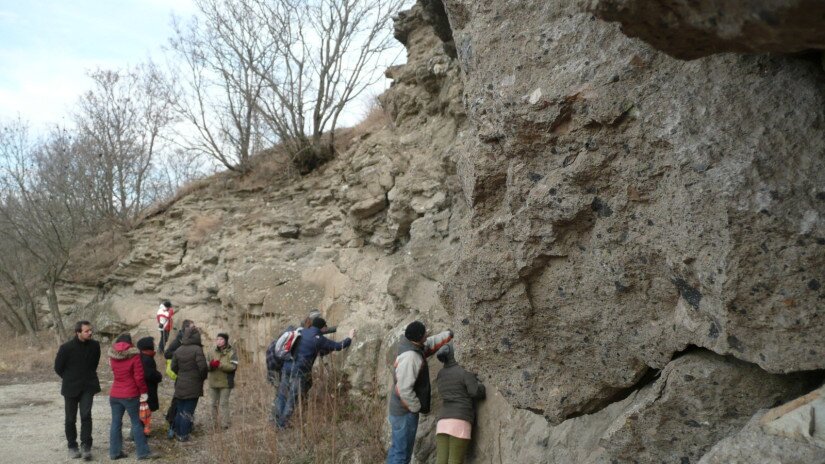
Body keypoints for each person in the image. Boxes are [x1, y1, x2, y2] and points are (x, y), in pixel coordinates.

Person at [386, 321, 453, 464]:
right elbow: (403, 389)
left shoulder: (411, 345)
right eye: (425, 334)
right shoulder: (410, 358)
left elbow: (430, 343)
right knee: (402, 455)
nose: (427, 335)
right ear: (419, 337)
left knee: (396, 450)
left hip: (400, 410)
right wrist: (416, 407)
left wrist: (449, 335)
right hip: (404, 413)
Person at [274, 317, 354, 428]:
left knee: (282, 395)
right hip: (299, 371)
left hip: (287, 366)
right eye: (326, 327)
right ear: (323, 328)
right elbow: (338, 346)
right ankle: (281, 425)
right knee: (292, 399)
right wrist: (349, 337)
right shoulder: (319, 339)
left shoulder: (301, 331)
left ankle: (276, 421)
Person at [54, 320, 101, 461]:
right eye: (86, 331)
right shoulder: (66, 348)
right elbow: (58, 367)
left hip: (88, 386)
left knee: (86, 416)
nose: (90, 333)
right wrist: (70, 378)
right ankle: (72, 446)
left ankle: (86, 446)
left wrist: (86, 377)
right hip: (70, 387)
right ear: (78, 332)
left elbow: (94, 363)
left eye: (90, 330)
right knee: (70, 418)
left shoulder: (95, 345)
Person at [108, 333, 159, 460]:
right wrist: (143, 392)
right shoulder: (134, 356)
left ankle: (114, 452)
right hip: (130, 394)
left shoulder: (112, 356)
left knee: (115, 423)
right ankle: (143, 453)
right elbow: (139, 377)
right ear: (130, 343)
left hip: (115, 394)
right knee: (137, 423)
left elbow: (115, 373)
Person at [434, 344, 485, 464]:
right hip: (460, 420)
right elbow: (475, 392)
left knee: (441, 461)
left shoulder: (441, 373)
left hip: (442, 422)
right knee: (455, 461)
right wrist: (481, 387)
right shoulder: (464, 370)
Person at [170, 325, 208, 442]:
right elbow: (203, 368)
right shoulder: (197, 349)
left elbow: (173, 367)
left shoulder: (179, 349)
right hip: (193, 385)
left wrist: (181, 374)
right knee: (188, 411)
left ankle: (177, 432)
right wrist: (201, 378)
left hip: (180, 383)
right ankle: (184, 435)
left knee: (180, 409)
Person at [163, 319, 194, 437]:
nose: (194, 329)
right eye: (192, 327)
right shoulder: (178, 341)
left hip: (187, 375)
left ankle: (185, 425)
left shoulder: (190, 340)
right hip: (180, 375)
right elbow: (167, 354)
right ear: (186, 328)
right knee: (178, 400)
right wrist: (180, 353)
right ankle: (172, 424)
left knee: (185, 401)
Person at [207, 332, 239, 429]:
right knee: (213, 403)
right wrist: (210, 365)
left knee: (224, 403)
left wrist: (220, 365)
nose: (219, 341)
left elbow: (233, 367)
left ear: (225, 341)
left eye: (221, 339)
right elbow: (205, 365)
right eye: (217, 339)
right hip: (213, 381)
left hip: (225, 382)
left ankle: (226, 424)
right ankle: (214, 424)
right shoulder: (211, 351)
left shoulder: (232, 352)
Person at [136, 337, 163, 437]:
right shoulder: (147, 359)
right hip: (147, 389)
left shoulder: (143, 356)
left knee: (143, 411)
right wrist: (159, 376)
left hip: (145, 388)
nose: (154, 344)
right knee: (144, 411)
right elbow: (149, 374)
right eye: (153, 343)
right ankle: (140, 434)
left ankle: (140, 432)